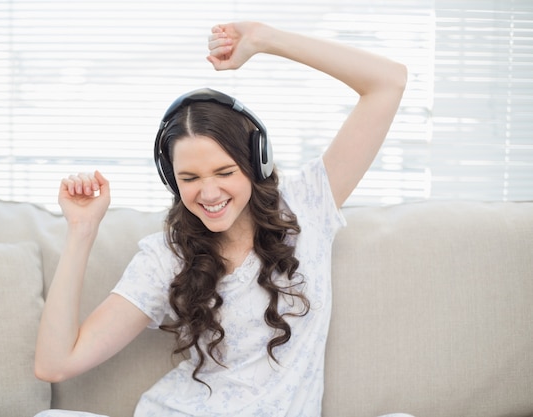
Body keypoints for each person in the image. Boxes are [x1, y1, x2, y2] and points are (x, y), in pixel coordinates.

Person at [34, 21, 409, 417]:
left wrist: (266, 40)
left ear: (256, 163)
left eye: (225, 172)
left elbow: (388, 82)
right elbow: (54, 364)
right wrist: (81, 230)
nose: (209, 194)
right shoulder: (167, 257)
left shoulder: (306, 206)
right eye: (189, 179)